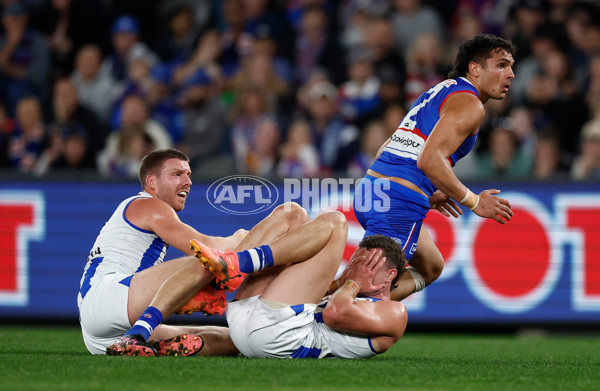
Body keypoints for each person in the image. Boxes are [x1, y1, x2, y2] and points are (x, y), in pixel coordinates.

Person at [79, 148, 309, 355]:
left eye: (188, 174)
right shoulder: (148, 204)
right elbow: (200, 245)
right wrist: (240, 238)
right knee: (204, 259)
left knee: (232, 340)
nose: (187, 181)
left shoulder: (141, 208)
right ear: (152, 182)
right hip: (108, 298)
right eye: (177, 174)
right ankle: (140, 331)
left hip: (101, 334)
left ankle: (152, 348)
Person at [352, 34, 515, 302]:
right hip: (397, 202)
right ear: (475, 68)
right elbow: (429, 160)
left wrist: (423, 191)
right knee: (365, 293)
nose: (510, 74)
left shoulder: (442, 89)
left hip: (373, 190)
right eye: (501, 65)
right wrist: (474, 202)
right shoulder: (471, 104)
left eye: (510, 67)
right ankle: (301, 317)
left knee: (431, 267)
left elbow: (390, 147)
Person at [191, 217, 408, 359]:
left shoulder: (395, 313)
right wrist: (345, 282)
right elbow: (314, 296)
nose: (352, 269)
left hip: (285, 339)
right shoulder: (345, 292)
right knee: (292, 215)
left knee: (337, 223)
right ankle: (224, 279)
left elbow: (334, 313)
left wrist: (353, 282)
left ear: (390, 275)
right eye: (353, 263)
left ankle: (237, 264)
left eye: (367, 265)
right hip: (249, 323)